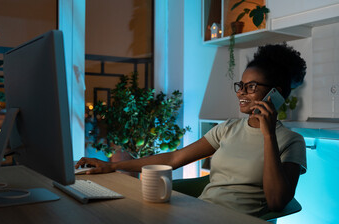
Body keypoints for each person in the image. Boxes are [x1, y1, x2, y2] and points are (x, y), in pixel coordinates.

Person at [75, 43, 307, 217]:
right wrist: (112, 166)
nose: (241, 93)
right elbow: (175, 157)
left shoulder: (291, 141)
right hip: (200, 214)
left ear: (274, 93)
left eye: (251, 87)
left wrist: (268, 135)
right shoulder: (228, 128)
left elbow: (277, 201)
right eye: (240, 85)